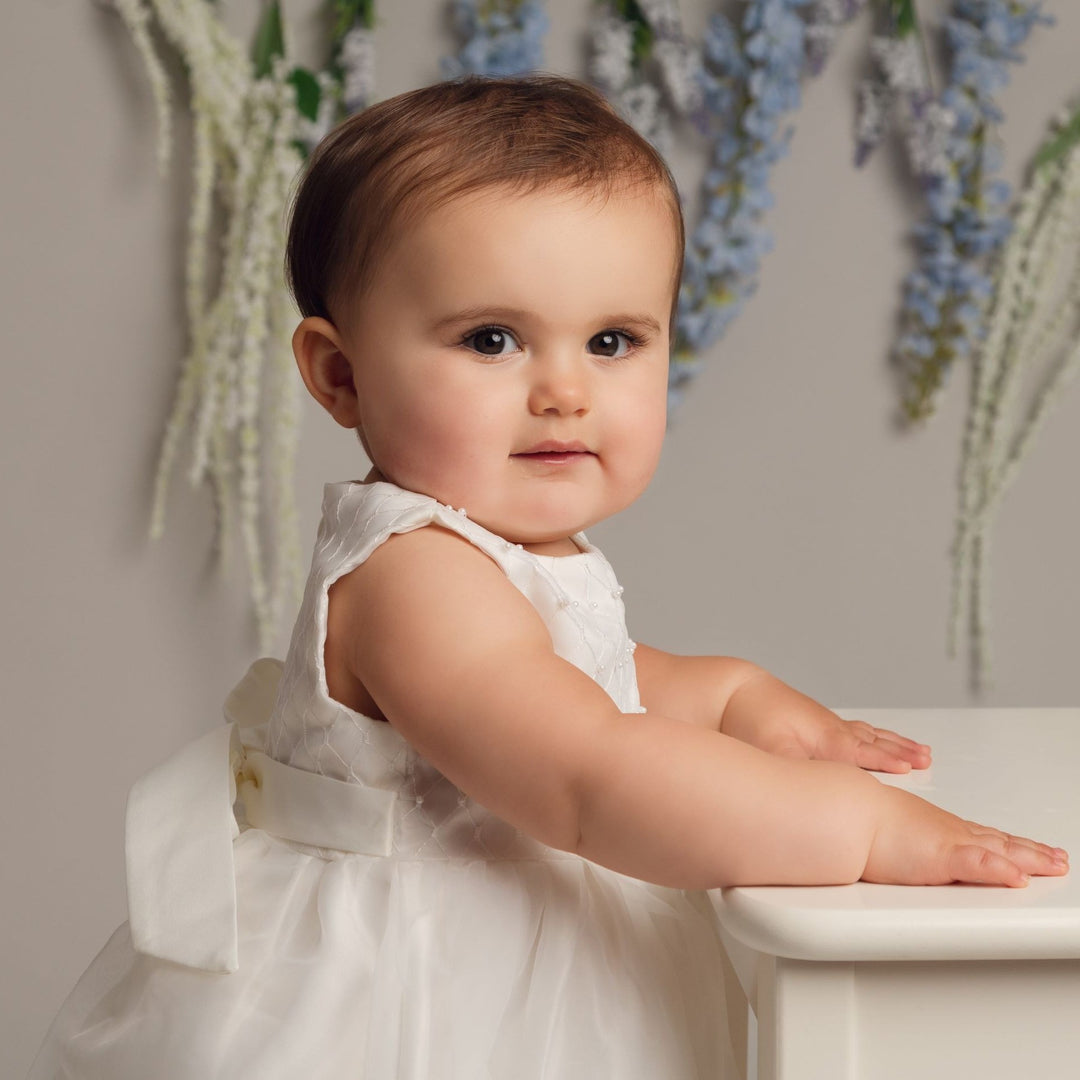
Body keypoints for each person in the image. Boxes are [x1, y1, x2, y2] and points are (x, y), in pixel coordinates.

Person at [30, 74, 1068, 1080]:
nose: (565, 390)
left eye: (613, 340)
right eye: (492, 340)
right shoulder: (412, 574)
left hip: (524, 955)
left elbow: (578, 676)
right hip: (429, 995)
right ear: (340, 375)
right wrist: (863, 828)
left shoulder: (490, 551)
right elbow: (585, 772)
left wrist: (730, 695)